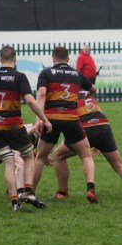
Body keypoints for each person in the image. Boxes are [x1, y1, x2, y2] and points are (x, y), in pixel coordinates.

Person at [0, 45, 52, 211]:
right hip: (13, 125)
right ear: (15, 58)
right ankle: (28, 192)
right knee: (29, 157)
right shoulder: (19, 76)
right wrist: (44, 120)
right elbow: (31, 101)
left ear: (0, 59)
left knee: (9, 163)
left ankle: (14, 202)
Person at [53, 93, 122, 200]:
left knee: (59, 154)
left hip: (85, 129)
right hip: (103, 127)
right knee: (119, 165)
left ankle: (63, 192)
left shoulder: (68, 96)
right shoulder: (88, 94)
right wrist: (97, 142)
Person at [34, 46, 99, 203]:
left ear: (53, 58)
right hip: (71, 120)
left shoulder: (46, 73)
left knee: (40, 158)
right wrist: (86, 95)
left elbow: (41, 95)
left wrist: (39, 119)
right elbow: (94, 89)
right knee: (86, 156)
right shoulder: (77, 74)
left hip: (51, 120)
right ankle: (90, 189)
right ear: (68, 59)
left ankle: (30, 192)